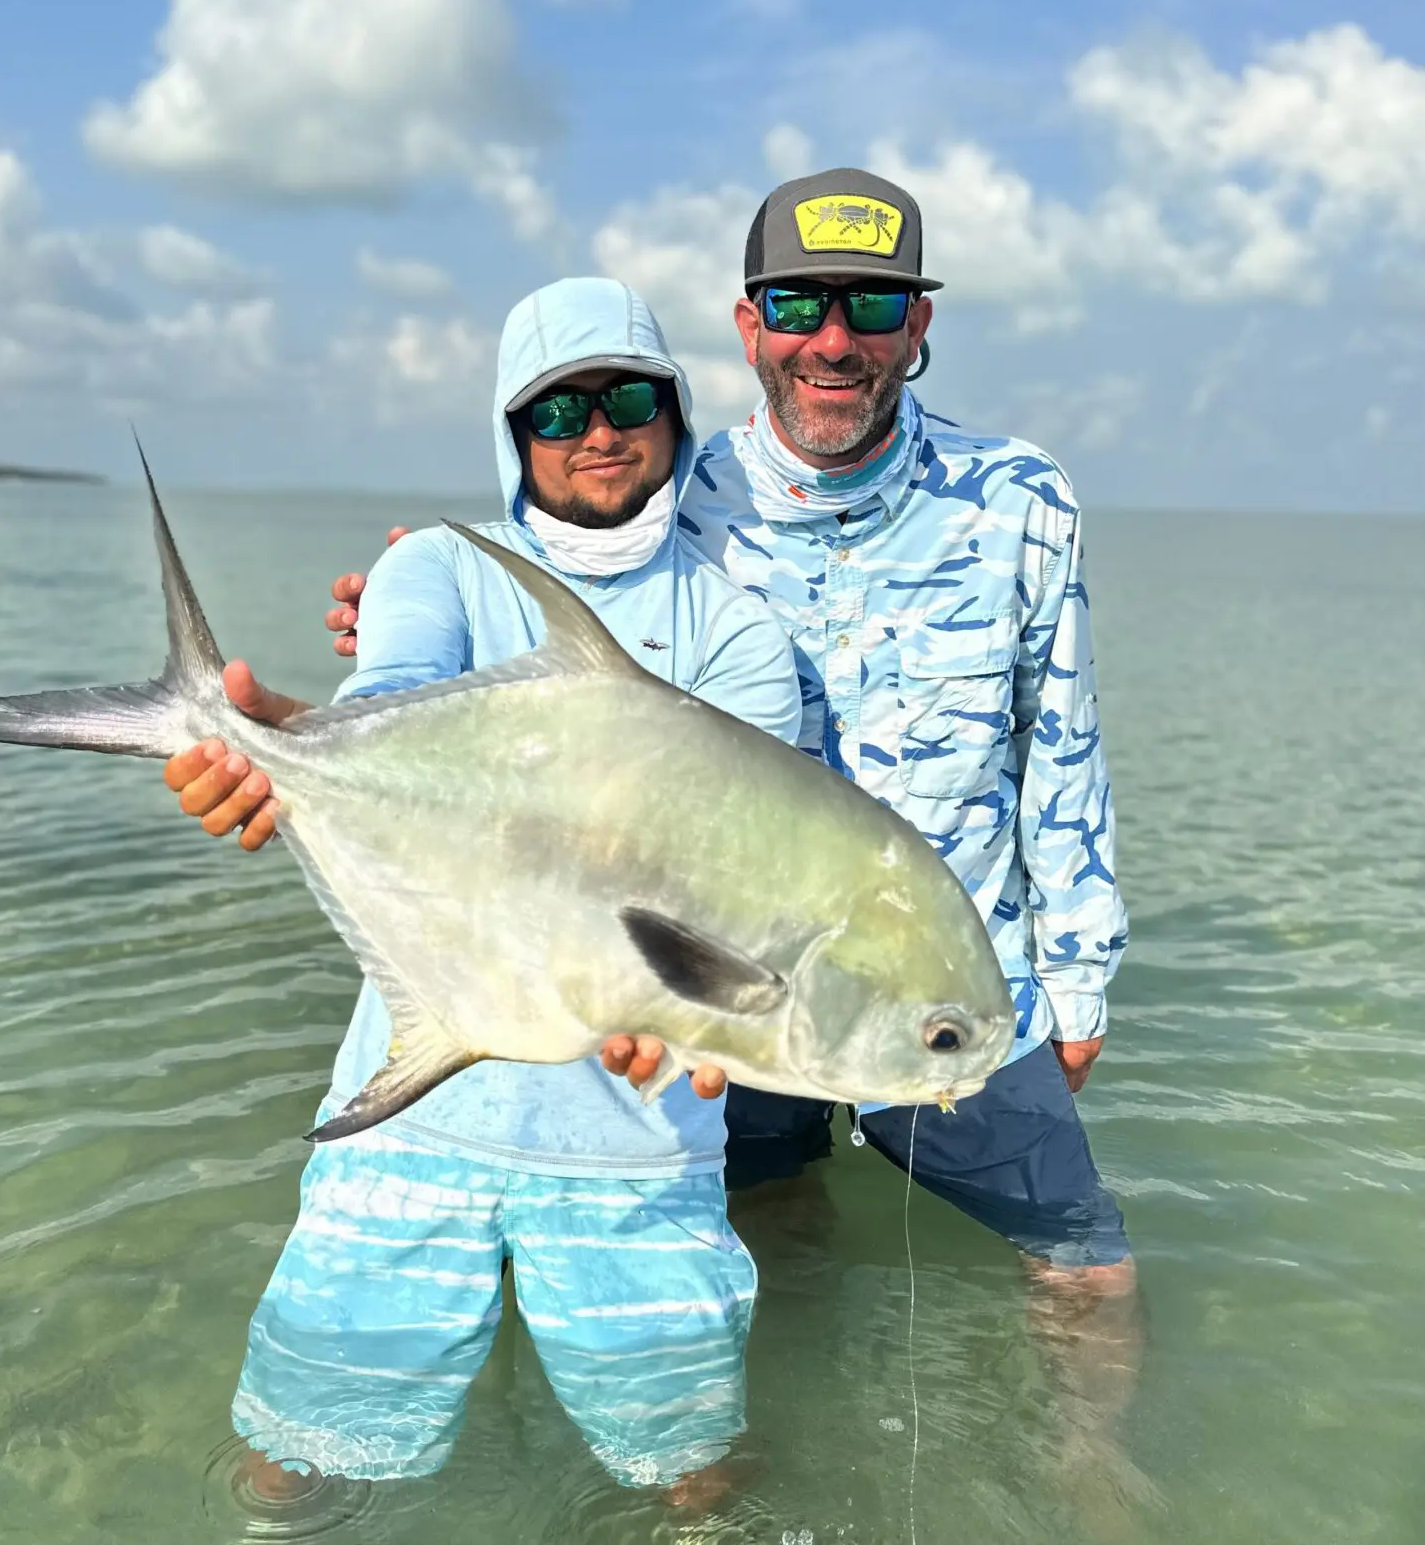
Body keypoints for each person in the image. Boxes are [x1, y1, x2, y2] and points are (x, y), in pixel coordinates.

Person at [142, 278, 801, 1545]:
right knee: (303, 1422)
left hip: (639, 1114)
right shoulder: (439, 570)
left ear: (676, 416)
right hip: (419, 1085)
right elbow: (399, 720)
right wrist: (282, 755)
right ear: (513, 436)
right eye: (554, 411)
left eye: (628, 399)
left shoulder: (742, 633)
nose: (597, 435)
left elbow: (741, 882)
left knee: (693, 1446)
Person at [329, 174, 1133, 1309]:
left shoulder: (1021, 496)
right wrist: (406, 621)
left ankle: (1089, 1484)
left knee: (1083, 1262)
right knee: (765, 1229)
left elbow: (1061, 740)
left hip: (960, 974)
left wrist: (1080, 977)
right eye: (801, 306)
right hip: (722, 971)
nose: (835, 342)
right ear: (751, 326)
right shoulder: (672, 487)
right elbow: (545, 586)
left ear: (921, 326)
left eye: (874, 307)